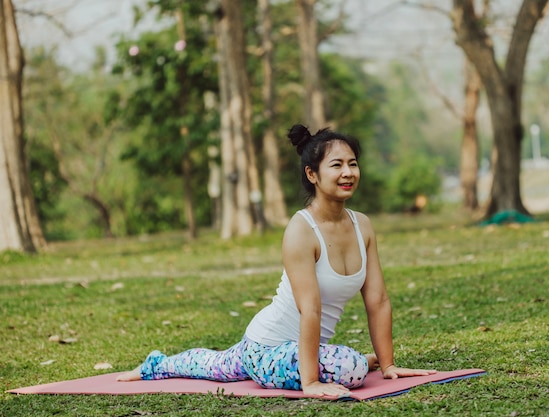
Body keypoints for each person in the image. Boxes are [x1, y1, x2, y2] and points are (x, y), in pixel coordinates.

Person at [117, 124, 437, 399]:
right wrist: (310, 383)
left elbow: (378, 301)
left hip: (292, 349)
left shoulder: (362, 225)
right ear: (311, 174)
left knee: (214, 365)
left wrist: (389, 364)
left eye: (352, 164)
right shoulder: (301, 230)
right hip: (267, 346)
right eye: (336, 165)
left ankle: (157, 364)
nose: (348, 173)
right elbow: (309, 309)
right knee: (348, 366)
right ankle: (155, 366)